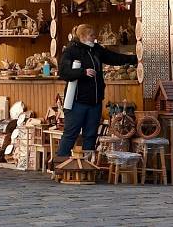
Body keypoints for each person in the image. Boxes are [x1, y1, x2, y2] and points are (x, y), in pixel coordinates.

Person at [56, 24, 137, 157]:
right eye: (91, 35)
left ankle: (87, 166)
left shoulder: (96, 50)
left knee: (90, 135)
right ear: (82, 36)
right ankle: (59, 167)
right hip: (77, 102)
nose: (95, 38)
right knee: (71, 134)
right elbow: (64, 72)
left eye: (94, 35)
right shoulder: (71, 51)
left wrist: (135, 59)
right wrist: (83, 72)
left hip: (95, 101)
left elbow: (113, 58)